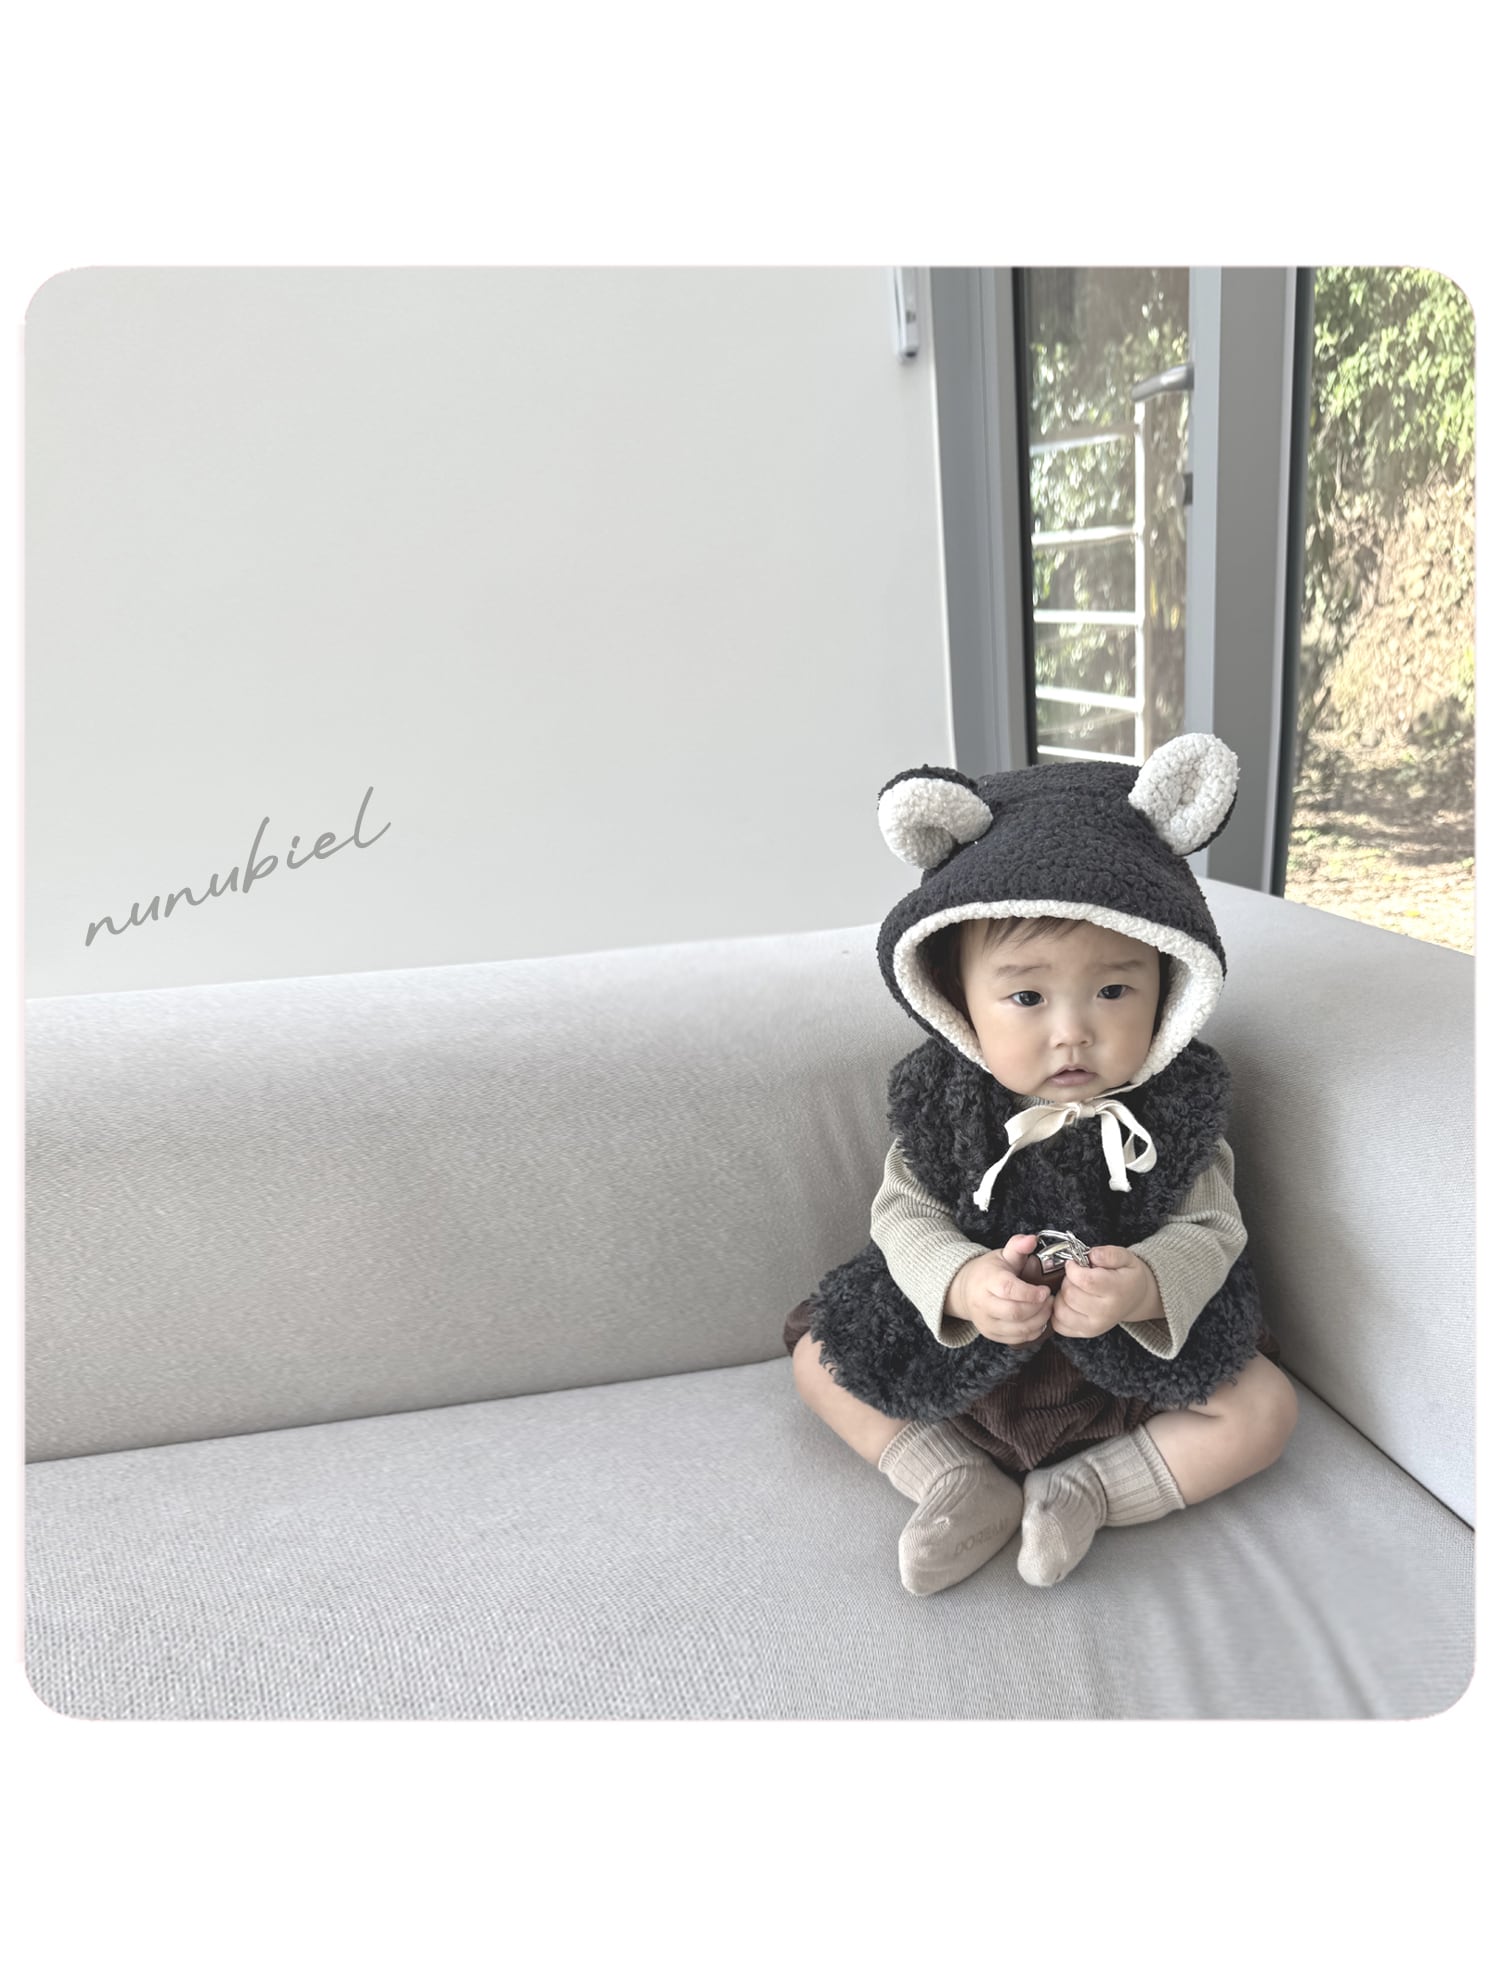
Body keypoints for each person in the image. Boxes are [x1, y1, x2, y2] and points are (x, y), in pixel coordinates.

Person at [782, 733, 1298, 1597]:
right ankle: (953, 1478)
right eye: (1026, 996)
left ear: (1171, 986)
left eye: (1114, 990)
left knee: (1265, 1409)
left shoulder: (1176, 1111)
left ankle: (1089, 1489)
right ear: (957, 999)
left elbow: (1213, 1227)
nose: (1073, 1032)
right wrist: (961, 1282)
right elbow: (902, 1215)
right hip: (965, 1346)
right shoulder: (948, 1106)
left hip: (1124, 1361)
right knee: (817, 1360)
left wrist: (1144, 1286)